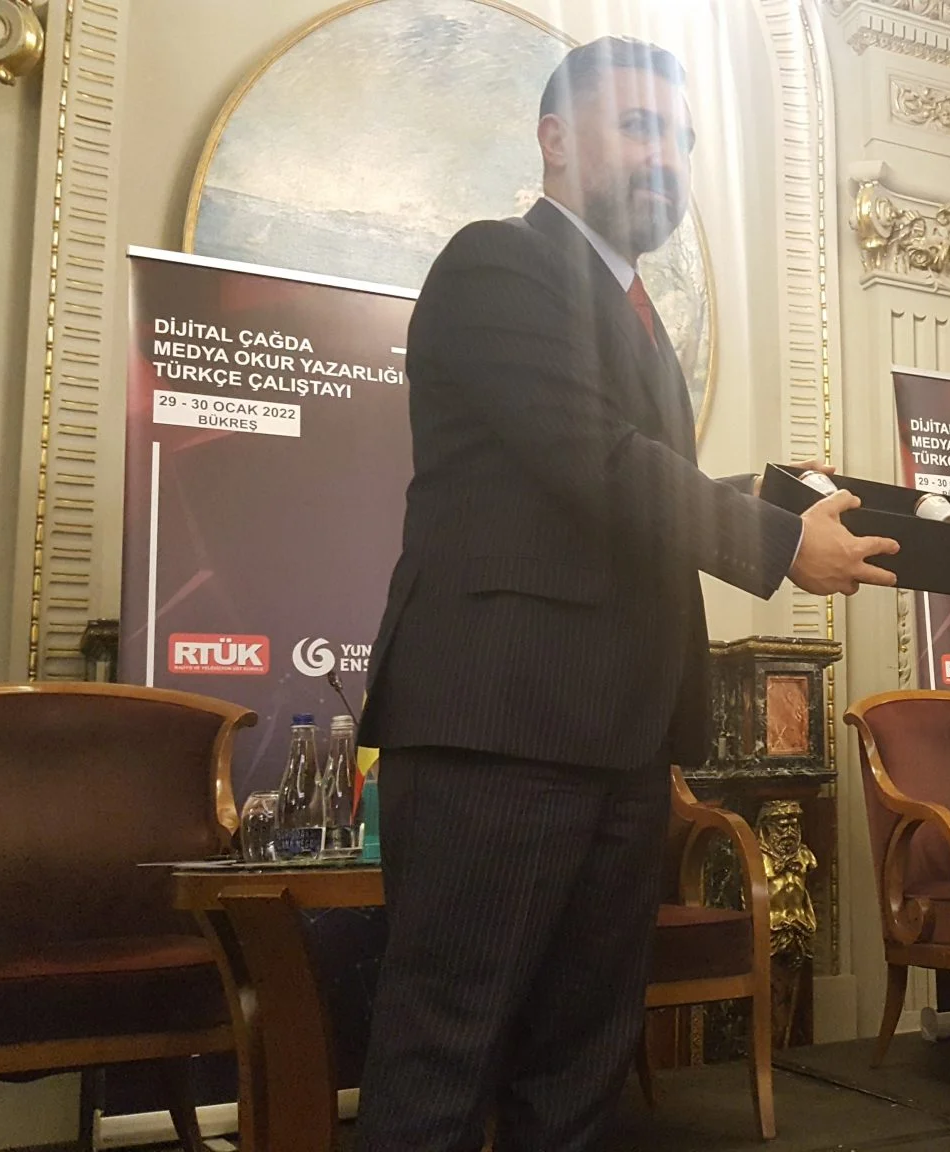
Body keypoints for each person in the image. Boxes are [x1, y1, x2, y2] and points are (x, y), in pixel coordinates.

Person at [354, 37, 897, 1151]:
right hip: (498, 733)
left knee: (579, 1075)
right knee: (443, 1068)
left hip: (621, 741)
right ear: (555, 140)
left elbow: (618, 487)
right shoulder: (496, 263)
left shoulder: (638, 315)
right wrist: (778, 543)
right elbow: (596, 460)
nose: (666, 157)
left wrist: (769, 497)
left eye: (681, 139)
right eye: (639, 127)